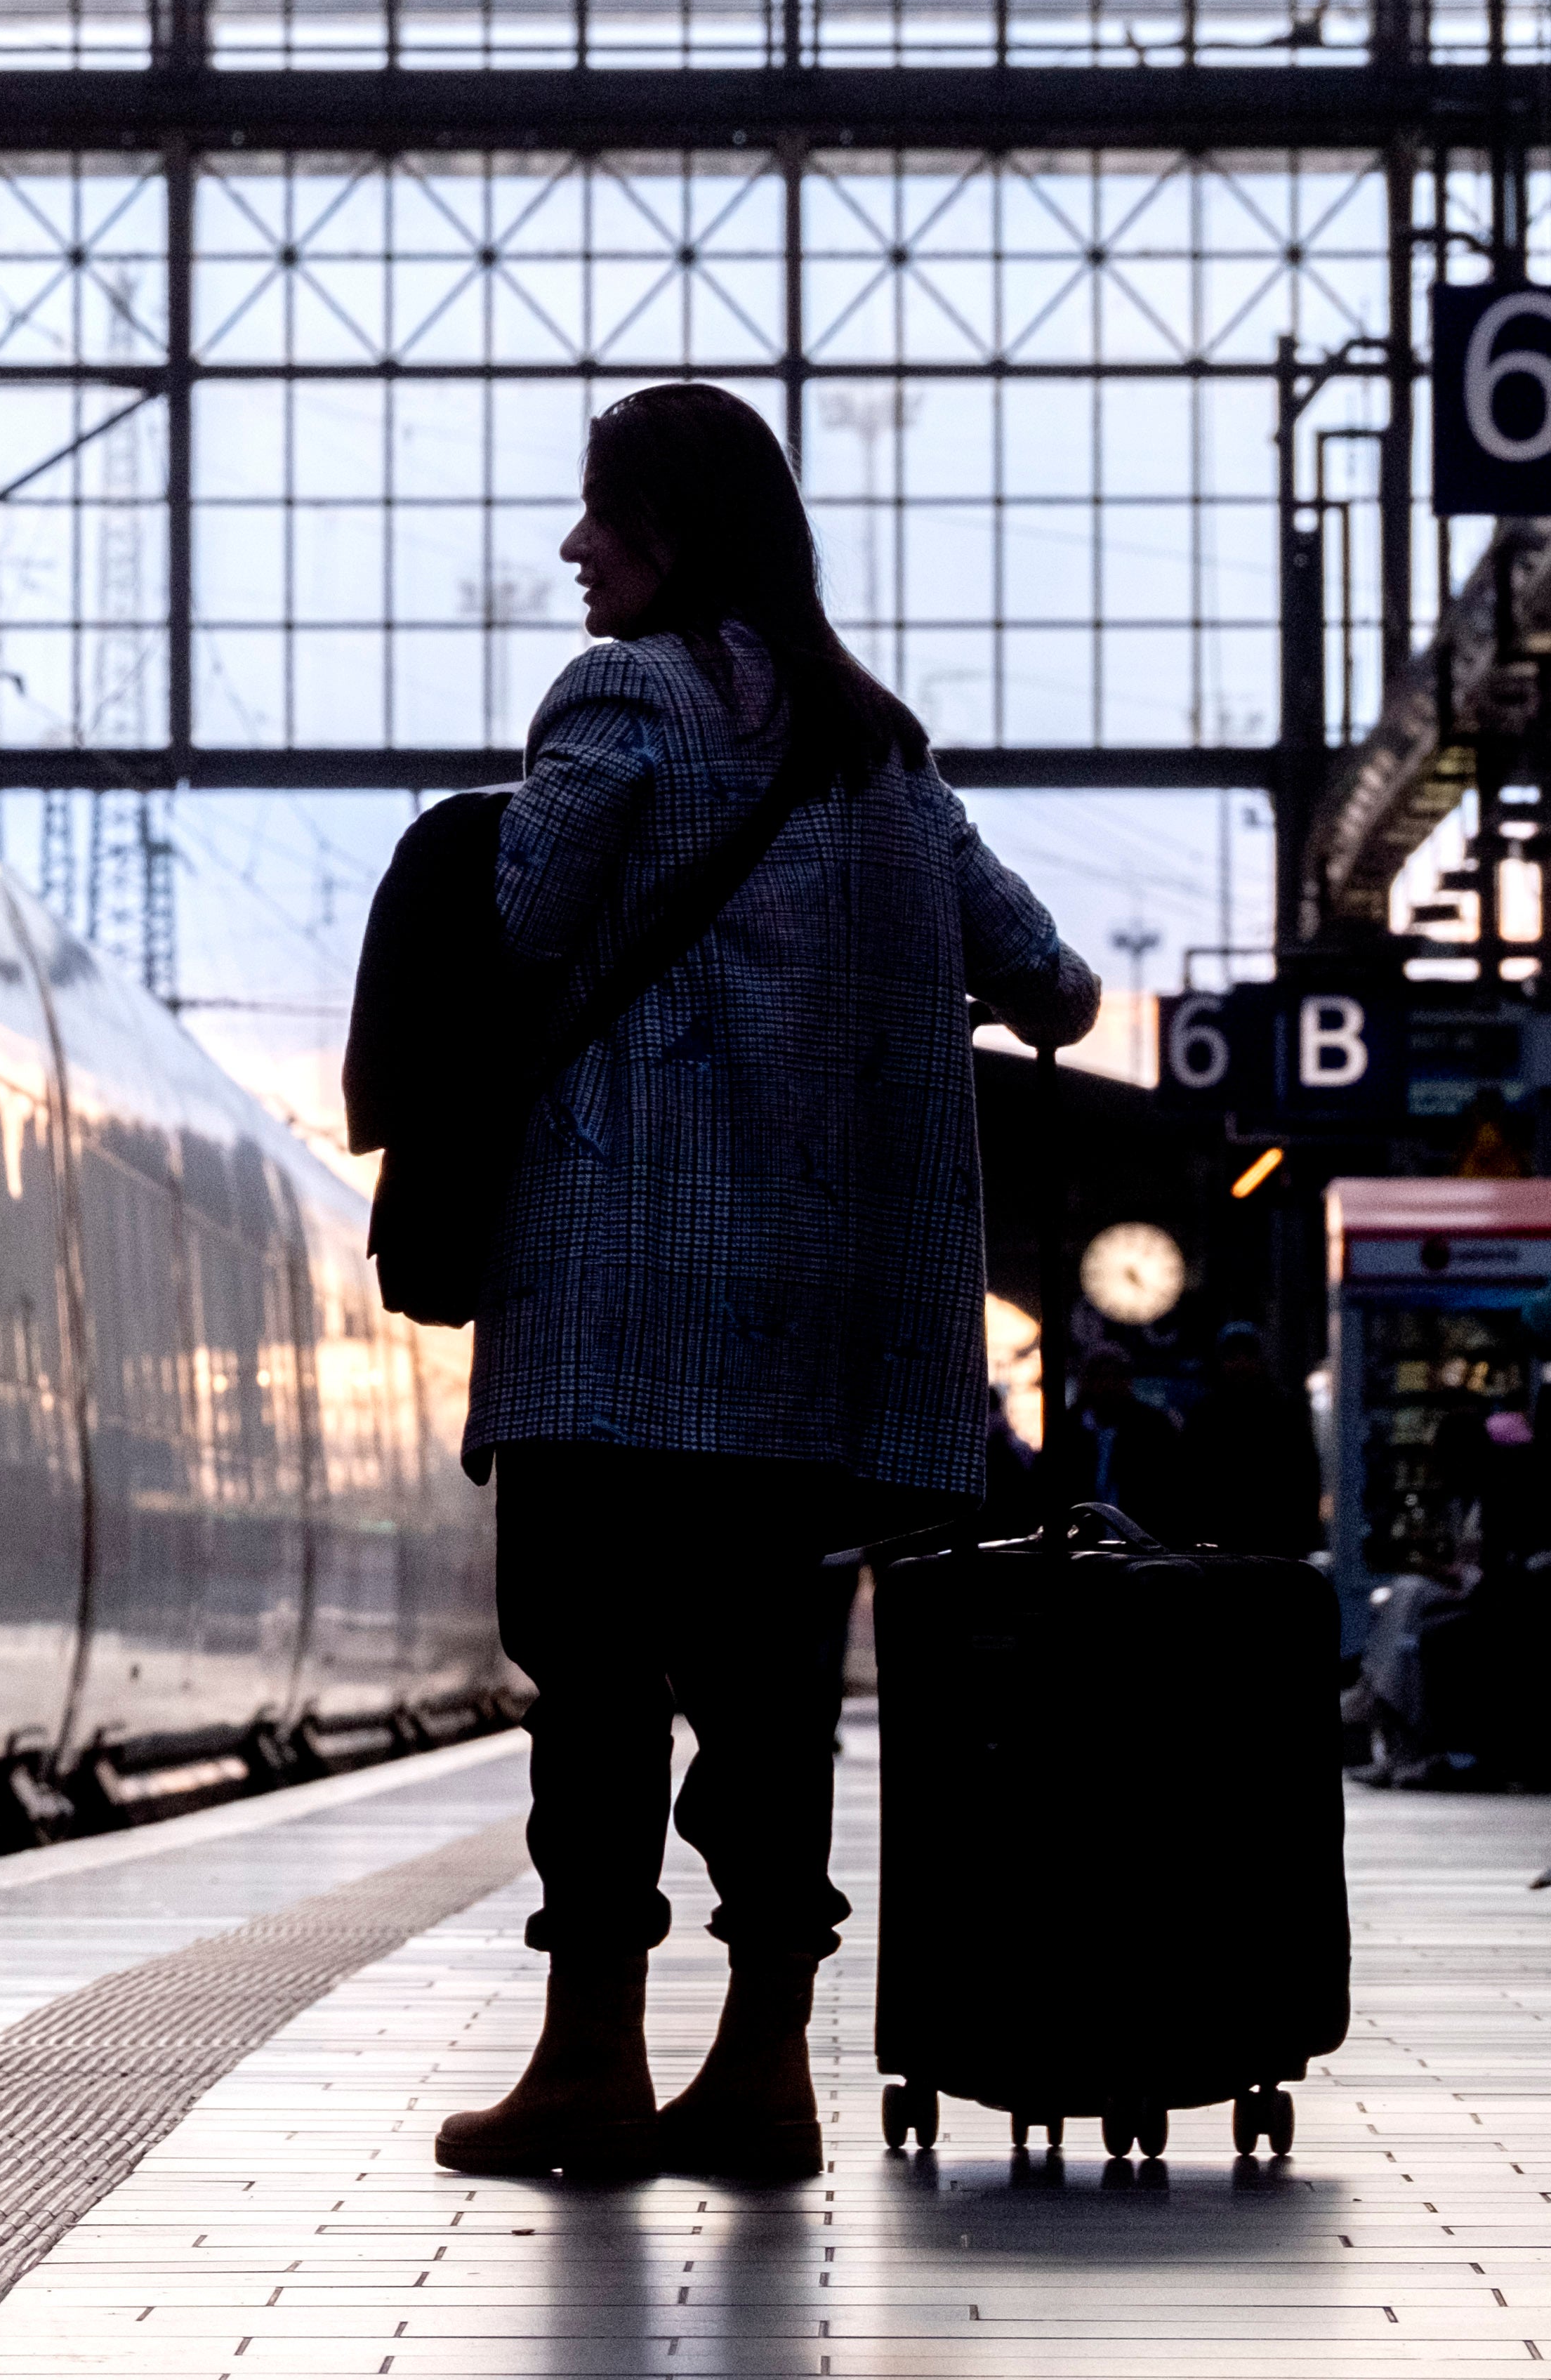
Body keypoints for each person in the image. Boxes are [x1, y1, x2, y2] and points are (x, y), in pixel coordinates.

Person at [436, 383, 1102, 2185]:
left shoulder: (621, 698)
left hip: (613, 1324)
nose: (576, 552)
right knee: (774, 1694)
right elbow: (1051, 978)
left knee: (593, 1682)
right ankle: (765, 2065)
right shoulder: (881, 750)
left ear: (679, 531)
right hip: (814, 1345)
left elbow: (513, 927)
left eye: (605, 519)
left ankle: (585, 2060)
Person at [1162, 1323, 1321, 1558]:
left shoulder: (1283, 1411)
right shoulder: (1207, 1414)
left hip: (1272, 1542)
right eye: (1233, 1357)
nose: (1240, 1364)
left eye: (1247, 1356)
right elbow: (1187, 1480)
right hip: (1226, 1544)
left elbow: (1304, 1476)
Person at [1070, 1341, 1186, 1530]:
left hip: (1141, 1541)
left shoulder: (1153, 1428)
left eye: (1116, 1376)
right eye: (1099, 1376)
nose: (1108, 1385)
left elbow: (1168, 1490)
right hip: (1080, 1545)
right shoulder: (1068, 1430)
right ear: (1087, 1382)